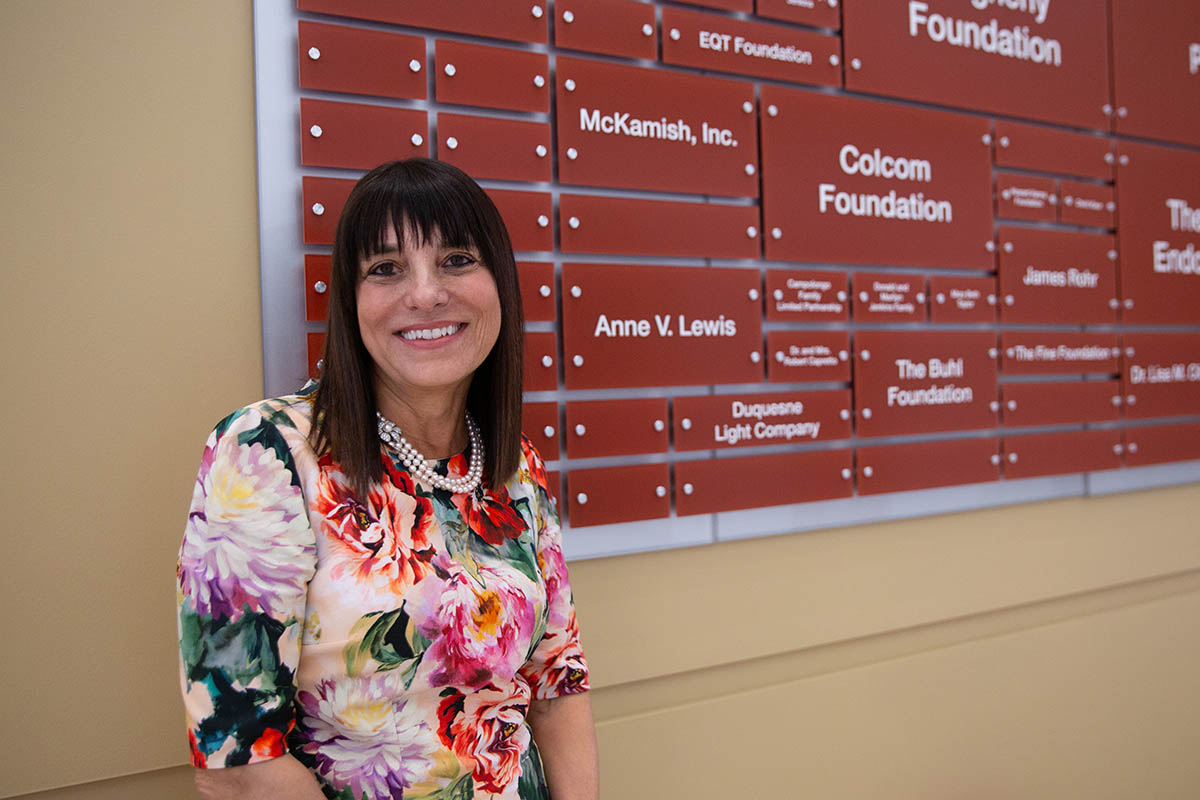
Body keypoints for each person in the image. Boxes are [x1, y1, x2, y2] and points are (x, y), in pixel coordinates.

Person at [177, 158, 598, 800]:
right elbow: (238, 760)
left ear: (502, 287)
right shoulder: (269, 451)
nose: (425, 294)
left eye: (458, 260)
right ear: (351, 304)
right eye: (386, 268)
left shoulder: (515, 465)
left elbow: (556, 687)